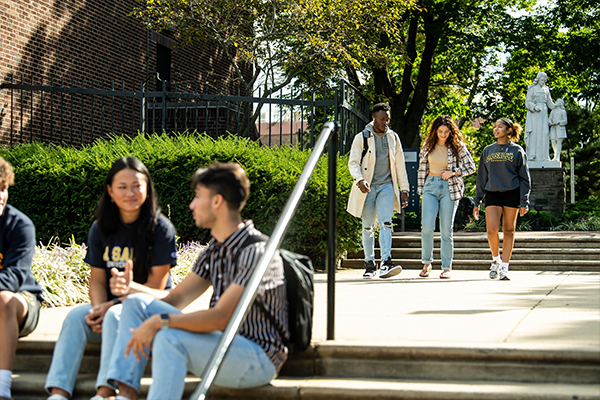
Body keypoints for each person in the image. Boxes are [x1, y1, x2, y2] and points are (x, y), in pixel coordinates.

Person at [104, 162, 288, 400]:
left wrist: (158, 322)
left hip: (258, 356)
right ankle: (125, 394)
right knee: (135, 302)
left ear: (217, 202)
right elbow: (176, 299)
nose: (191, 204)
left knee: (169, 337)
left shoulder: (257, 252)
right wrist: (132, 289)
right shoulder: (215, 250)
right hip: (221, 344)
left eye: (197, 196)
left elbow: (221, 318)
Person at [45, 157, 177, 400]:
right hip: (108, 308)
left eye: (137, 185)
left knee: (116, 315)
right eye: (122, 186)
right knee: (76, 316)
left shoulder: (161, 229)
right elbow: (96, 280)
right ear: (110, 191)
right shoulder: (100, 228)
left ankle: (106, 391)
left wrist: (114, 304)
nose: (130, 192)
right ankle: (58, 392)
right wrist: (97, 309)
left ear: (147, 188)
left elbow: (156, 287)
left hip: (145, 312)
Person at [347, 103, 410, 279]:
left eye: (387, 119)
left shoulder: (393, 137)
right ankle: (369, 264)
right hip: (367, 188)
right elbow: (353, 162)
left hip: (386, 187)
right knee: (367, 226)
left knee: (386, 223)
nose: (385, 122)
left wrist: (404, 189)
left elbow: (400, 165)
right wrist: (359, 180)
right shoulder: (362, 137)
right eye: (382, 119)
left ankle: (386, 262)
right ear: (374, 118)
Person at [0, 157, 44, 400]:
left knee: (3, 299)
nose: (0, 195)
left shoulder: (20, 225)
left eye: (3, 188)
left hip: (21, 301)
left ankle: (2, 386)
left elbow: (14, 275)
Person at [417, 116, 476, 279]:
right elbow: (421, 169)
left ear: (451, 132)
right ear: (435, 131)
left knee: (446, 229)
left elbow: (471, 167)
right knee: (427, 226)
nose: (443, 134)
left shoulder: (458, 146)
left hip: (449, 187)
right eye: (440, 131)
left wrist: (454, 172)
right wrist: (421, 189)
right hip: (430, 185)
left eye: (446, 132)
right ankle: (427, 263)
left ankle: (446, 267)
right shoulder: (427, 146)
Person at [473, 119, 531, 281]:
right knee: (491, 230)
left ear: (509, 130)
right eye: (495, 127)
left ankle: (505, 267)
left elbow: (525, 178)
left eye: (500, 126)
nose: (496, 129)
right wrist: (477, 201)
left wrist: (524, 201)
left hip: (512, 192)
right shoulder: (488, 151)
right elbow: (481, 177)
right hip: (492, 192)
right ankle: (495, 260)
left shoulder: (517, 151)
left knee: (509, 230)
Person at [525, 71, 555, 162]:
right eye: (542, 79)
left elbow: (550, 103)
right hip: (534, 114)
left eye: (545, 80)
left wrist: (558, 107)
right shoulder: (532, 89)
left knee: (545, 133)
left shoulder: (546, 89)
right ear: (538, 79)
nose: (543, 82)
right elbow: (528, 101)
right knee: (534, 133)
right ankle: (532, 155)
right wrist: (534, 107)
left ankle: (545, 157)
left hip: (544, 112)